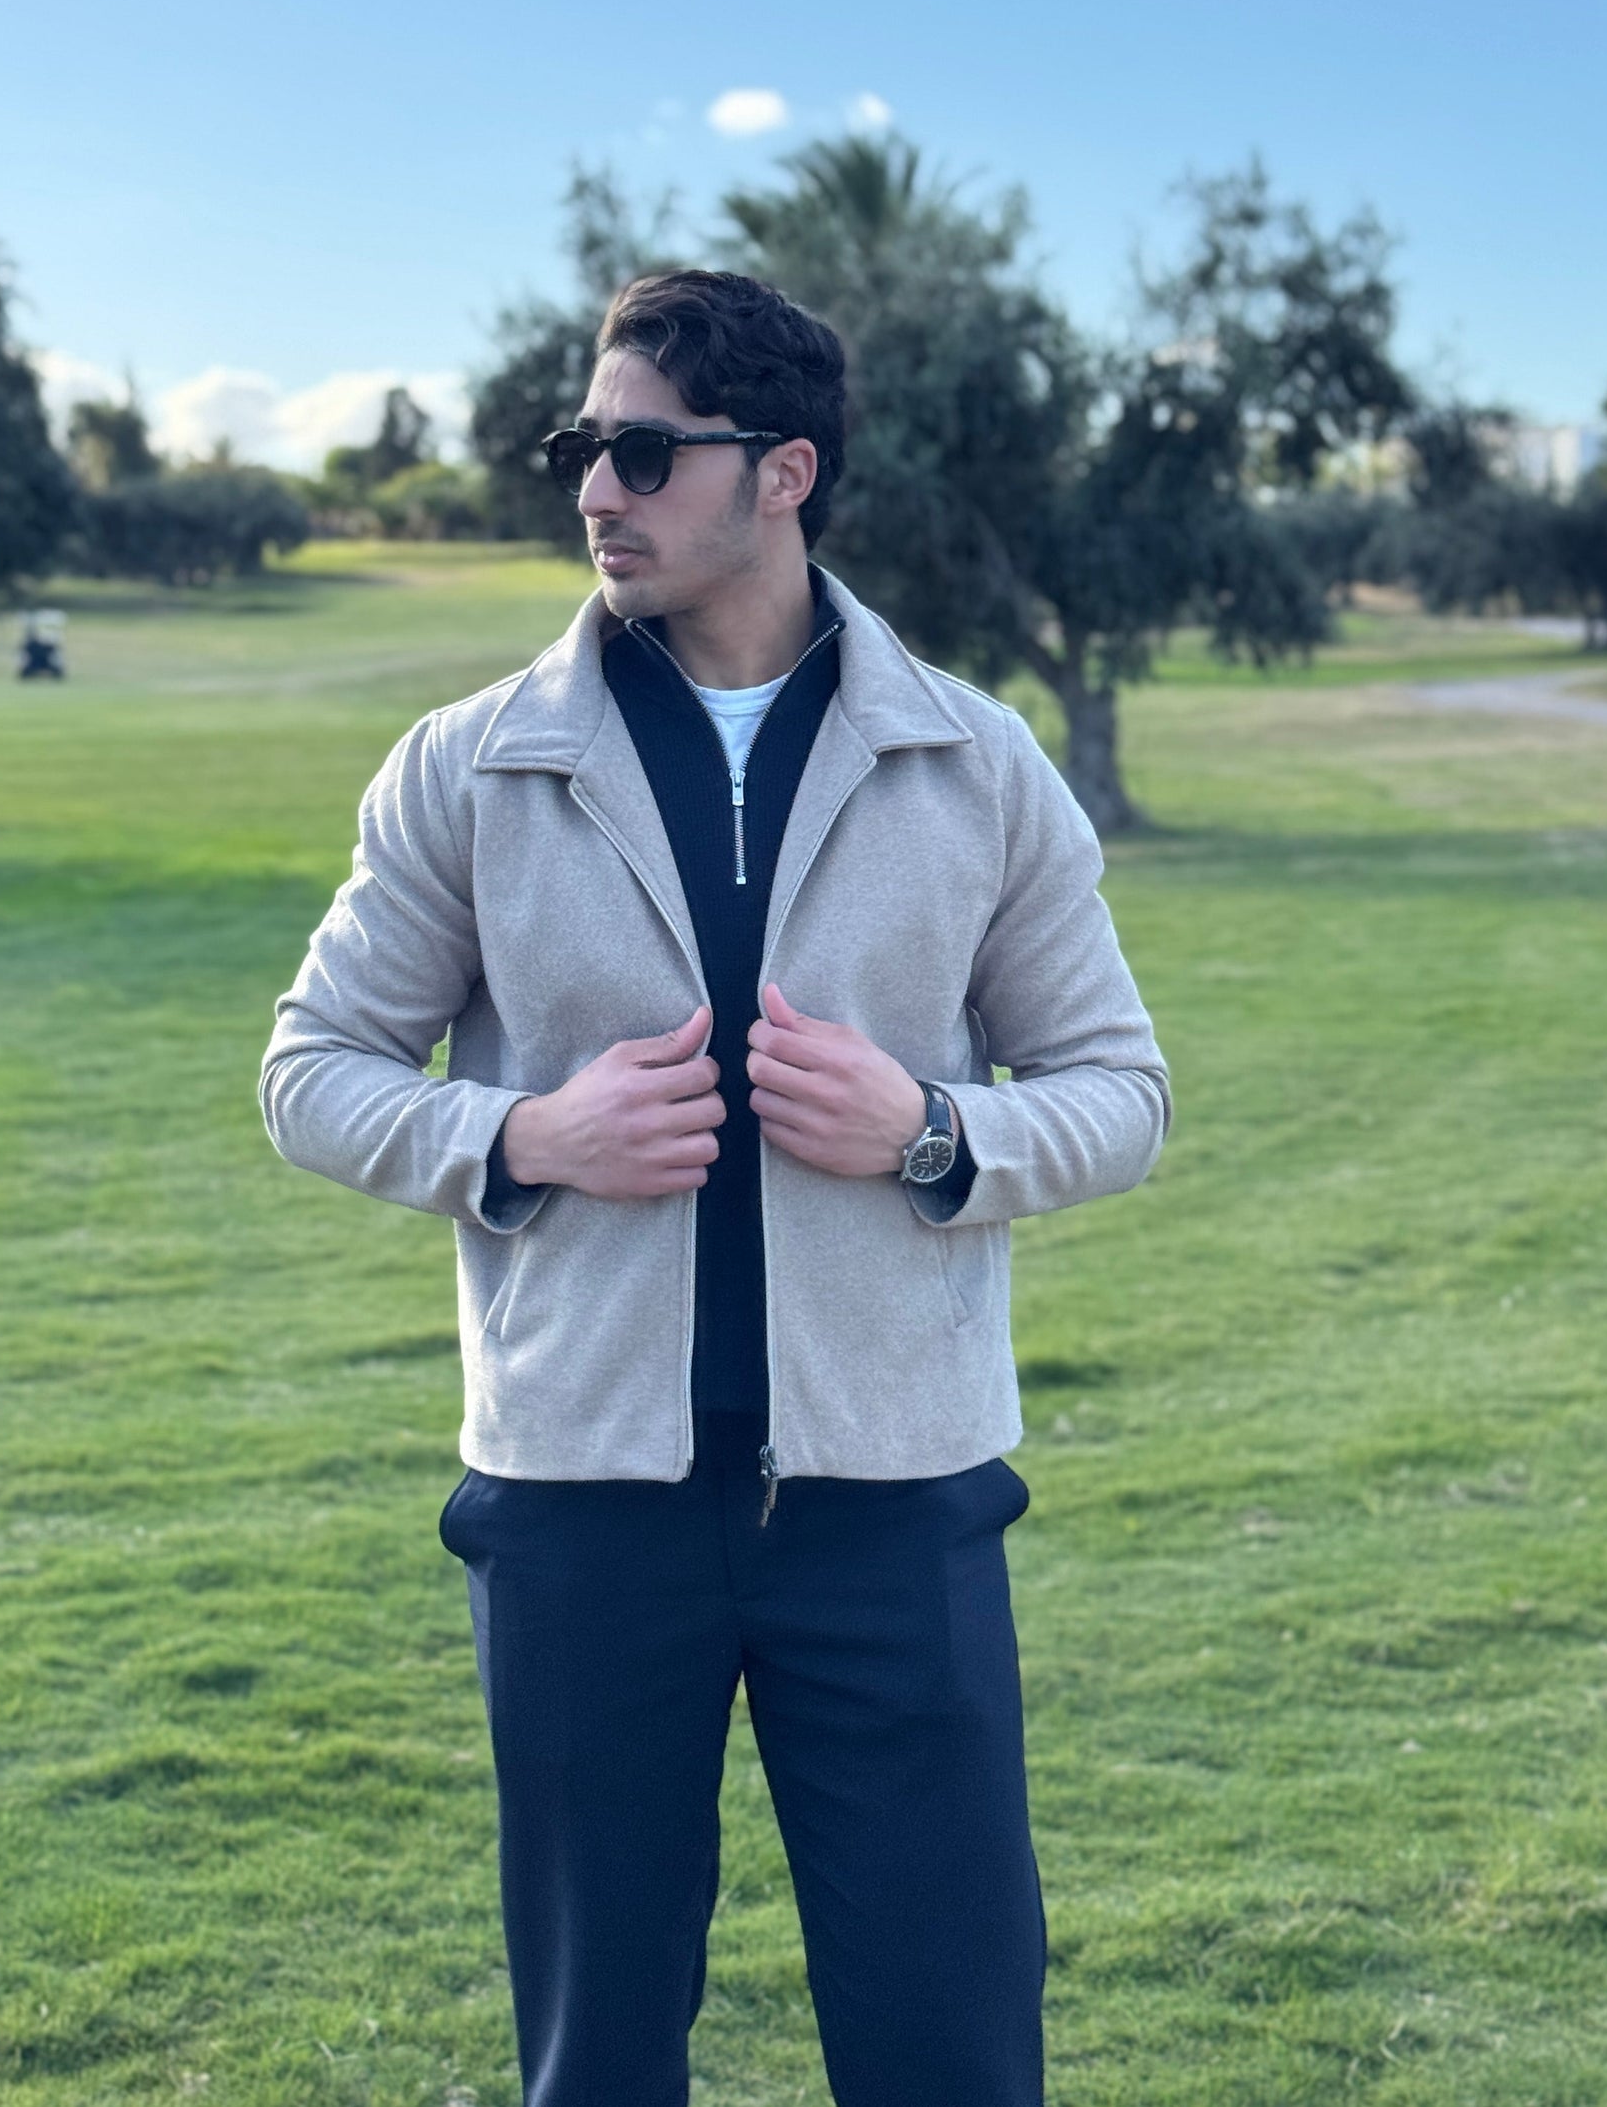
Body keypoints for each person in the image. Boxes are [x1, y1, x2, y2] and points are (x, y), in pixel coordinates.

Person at [259, 269, 1170, 2106]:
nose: (597, 490)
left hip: (895, 1500)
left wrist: (933, 1128)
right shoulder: (471, 764)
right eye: (580, 450)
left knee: (949, 2047)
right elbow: (312, 1070)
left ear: (784, 471)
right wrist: (522, 1137)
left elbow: (1119, 1093)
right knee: (597, 2055)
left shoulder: (973, 760)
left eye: (644, 452)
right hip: (580, 1507)